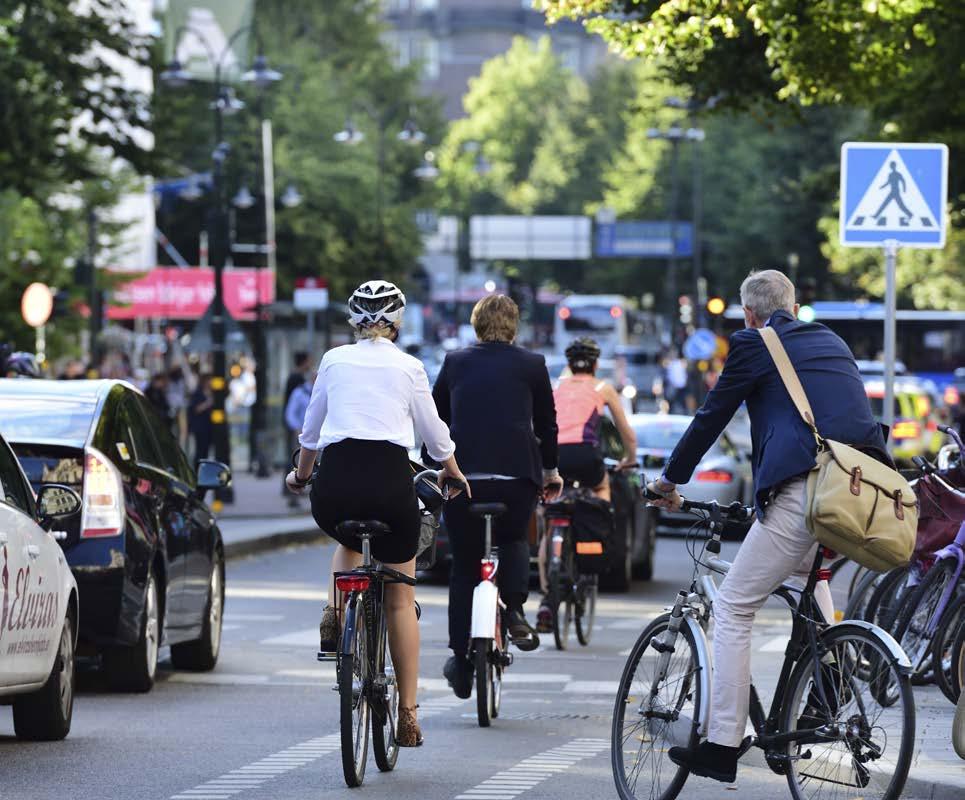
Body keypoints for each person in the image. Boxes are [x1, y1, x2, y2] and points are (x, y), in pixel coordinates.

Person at [649, 269, 889, 783]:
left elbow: (712, 416)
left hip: (804, 491)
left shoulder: (754, 343)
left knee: (734, 606)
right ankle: (829, 683)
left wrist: (669, 481)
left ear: (749, 314)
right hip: (856, 492)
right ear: (794, 305)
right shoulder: (830, 340)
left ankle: (721, 744)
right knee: (808, 579)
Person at [286, 279, 468, 748]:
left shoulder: (332, 360)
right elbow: (434, 434)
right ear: (398, 320)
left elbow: (311, 433)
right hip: (390, 485)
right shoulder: (409, 367)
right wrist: (452, 471)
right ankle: (408, 715)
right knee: (400, 599)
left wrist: (301, 477)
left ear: (354, 320)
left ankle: (334, 610)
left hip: (336, 486)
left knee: (347, 539)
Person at [430, 294, 563, 700]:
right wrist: (551, 471)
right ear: (514, 326)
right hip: (516, 476)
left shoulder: (455, 362)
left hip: (463, 477)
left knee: (465, 567)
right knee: (513, 538)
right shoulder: (532, 365)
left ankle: (460, 659)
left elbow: (436, 420)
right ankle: (517, 610)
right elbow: (547, 424)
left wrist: (432, 464)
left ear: (475, 323)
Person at [535, 336, 637, 631]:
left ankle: (546, 596)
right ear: (594, 364)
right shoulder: (601, 388)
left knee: (548, 514)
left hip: (553, 457)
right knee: (601, 489)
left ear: (568, 364)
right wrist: (629, 459)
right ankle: (596, 528)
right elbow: (626, 433)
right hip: (586, 455)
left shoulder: (555, 388)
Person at [282, 352, 311, 497]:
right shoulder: (298, 381)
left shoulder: (295, 378)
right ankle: (291, 487)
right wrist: (294, 426)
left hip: (294, 424)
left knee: (294, 454)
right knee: (294, 455)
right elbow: (293, 406)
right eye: (308, 361)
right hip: (295, 425)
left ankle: (289, 487)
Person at [188, 374, 214, 467]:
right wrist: (207, 403)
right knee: (200, 450)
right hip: (200, 426)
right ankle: (197, 468)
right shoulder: (197, 393)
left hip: (209, 426)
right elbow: (196, 409)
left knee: (206, 449)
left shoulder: (212, 392)